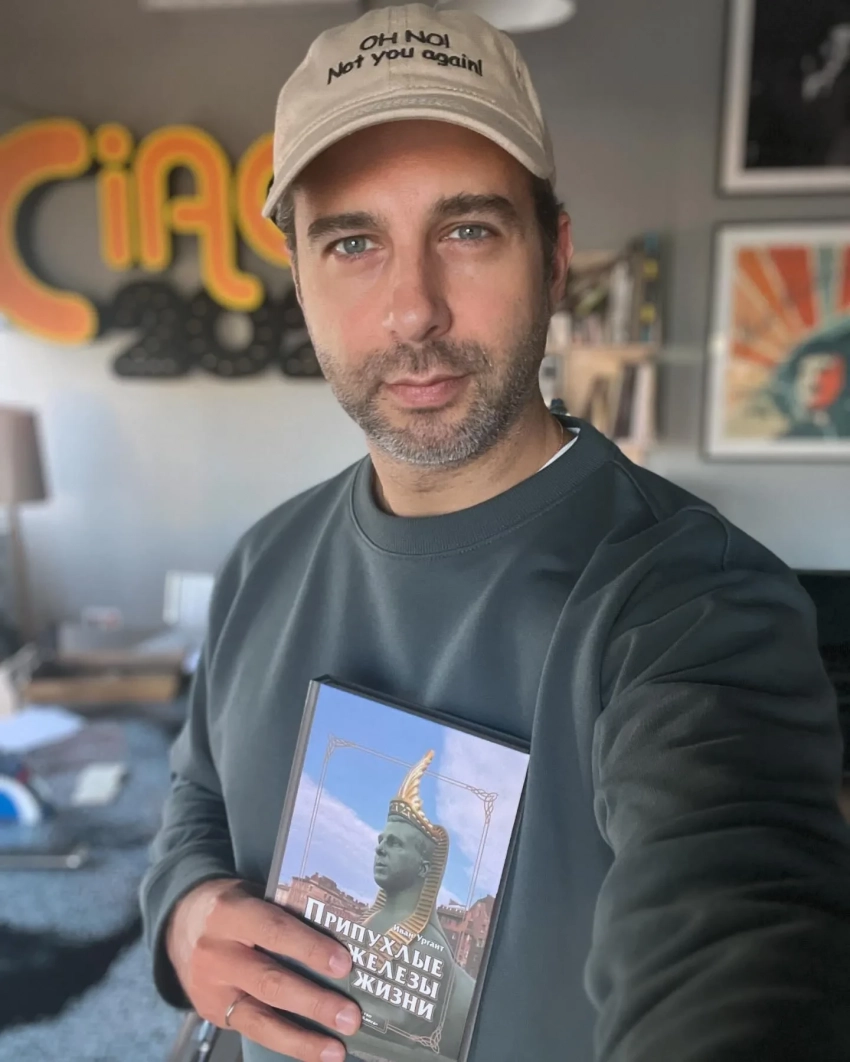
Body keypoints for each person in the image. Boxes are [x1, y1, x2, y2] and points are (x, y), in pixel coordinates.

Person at [141, 5, 850, 1062]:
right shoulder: (264, 560)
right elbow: (200, 789)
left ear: (554, 258)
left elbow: (742, 927)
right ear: (299, 278)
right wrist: (184, 907)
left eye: (467, 231)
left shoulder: (693, 605)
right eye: (352, 242)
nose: (413, 310)